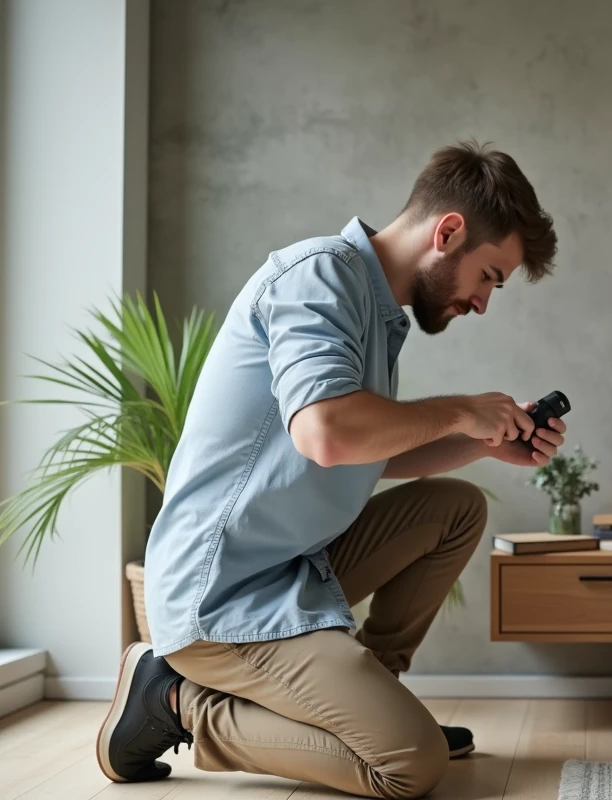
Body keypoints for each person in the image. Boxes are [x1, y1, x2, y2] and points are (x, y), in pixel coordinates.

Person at [96, 141, 563, 799]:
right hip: (223, 594)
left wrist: (483, 444)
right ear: (449, 231)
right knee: (409, 766)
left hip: (289, 566)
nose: (483, 302)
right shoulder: (318, 276)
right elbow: (326, 433)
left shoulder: (375, 312)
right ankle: (174, 701)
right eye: (489, 275)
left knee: (457, 506)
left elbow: (365, 452)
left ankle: (370, 695)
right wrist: (461, 410)